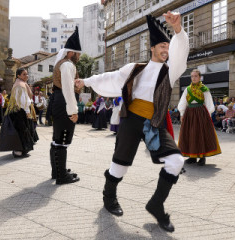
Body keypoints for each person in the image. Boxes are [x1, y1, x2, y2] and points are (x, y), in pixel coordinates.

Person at [76, 12, 189, 232]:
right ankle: (109, 197)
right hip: (131, 119)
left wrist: (178, 29)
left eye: (169, 46)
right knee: (120, 165)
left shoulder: (171, 70)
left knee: (176, 161)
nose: (166, 50)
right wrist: (86, 81)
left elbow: (181, 50)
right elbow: (109, 78)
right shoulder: (135, 68)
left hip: (154, 123)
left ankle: (156, 205)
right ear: (152, 49)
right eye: (162, 46)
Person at [49, 27, 81, 185]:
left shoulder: (62, 63)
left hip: (58, 100)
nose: (79, 57)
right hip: (64, 102)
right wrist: (73, 111)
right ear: (71, 52)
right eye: (78, 53)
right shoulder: (68, 65)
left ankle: (57, 171)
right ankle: (62, 176)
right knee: (62, 139)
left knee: (57, 138)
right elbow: (68, 89)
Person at [177, 69, 220, 166]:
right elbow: (183, 102)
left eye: (196, 76)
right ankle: (192, 157)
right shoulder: (187, 89)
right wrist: (182, 114)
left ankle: (202, 157)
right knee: (190, 134)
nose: (194, 78)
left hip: (201, 113)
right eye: (192, 76)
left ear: (200, 77)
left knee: (200, 134)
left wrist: (208, 116)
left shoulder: (204, 89)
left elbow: (209, 103)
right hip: (189, 113)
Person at [1, 68, 34, 157]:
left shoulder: (19, 83)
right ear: (18, 75)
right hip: (20, 111)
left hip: (17, 111)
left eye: (27, 74)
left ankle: (21, 151)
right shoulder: (20, 85)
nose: (26, 76)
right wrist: (27, 111)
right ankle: (18, 152)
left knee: (21, 130)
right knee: (21, 131)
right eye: (24, 74)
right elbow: (23, 101)